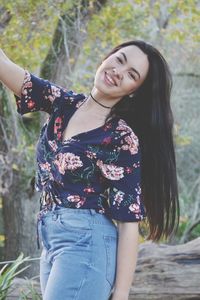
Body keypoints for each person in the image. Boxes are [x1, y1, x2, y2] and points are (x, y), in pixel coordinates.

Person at [0, 40, 179, 300]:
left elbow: (129, 223)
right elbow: (5, 66)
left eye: (132, 74)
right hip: (51, 240)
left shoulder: (121, 138)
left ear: (134, 91)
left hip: (87, 244)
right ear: (106, 58)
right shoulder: (64, 103)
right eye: (119, 59)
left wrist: (121, 294)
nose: (119, 71)